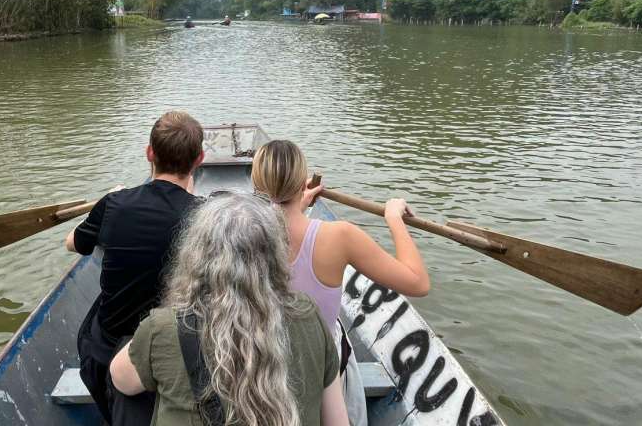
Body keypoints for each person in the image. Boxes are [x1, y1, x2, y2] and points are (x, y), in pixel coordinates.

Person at [110, 193, 349, 426]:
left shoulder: (164, 328)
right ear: (275, 256)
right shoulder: (308, 313)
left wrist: (180, 302)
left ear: (196, 258)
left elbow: (120, 379)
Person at [251, 139, 430, 426]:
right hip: (323, 367)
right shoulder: (339, 237)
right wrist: (393, 218)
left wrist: (296, 203)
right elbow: (418, 283)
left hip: (264, 360)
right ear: (301, 183)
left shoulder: (241, 234)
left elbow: (278, 217)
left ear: (257, 183)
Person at [65, 111, 205, 425]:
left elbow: (72, 243)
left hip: (108, 349)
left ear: (149, 153)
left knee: (95, 317)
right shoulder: (205, 217)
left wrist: (108, 201)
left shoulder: (114, 205)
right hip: (175, 351)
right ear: (199, 159)